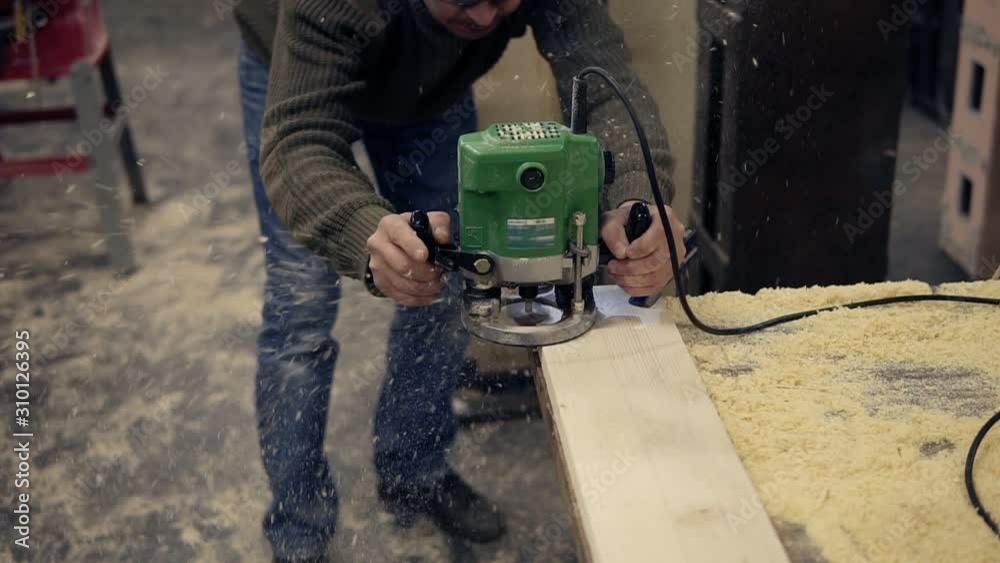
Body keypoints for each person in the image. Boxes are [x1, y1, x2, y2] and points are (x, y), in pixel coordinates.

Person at [235, 0, 686, 560]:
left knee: (455, 271)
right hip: (296, 72)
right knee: (300, 313)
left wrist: (638, 197)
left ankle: (414, 472)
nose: (484, 16)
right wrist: (362, 231)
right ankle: (299, 531)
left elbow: (605, 85)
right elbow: (300, 140)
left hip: (431, 91)